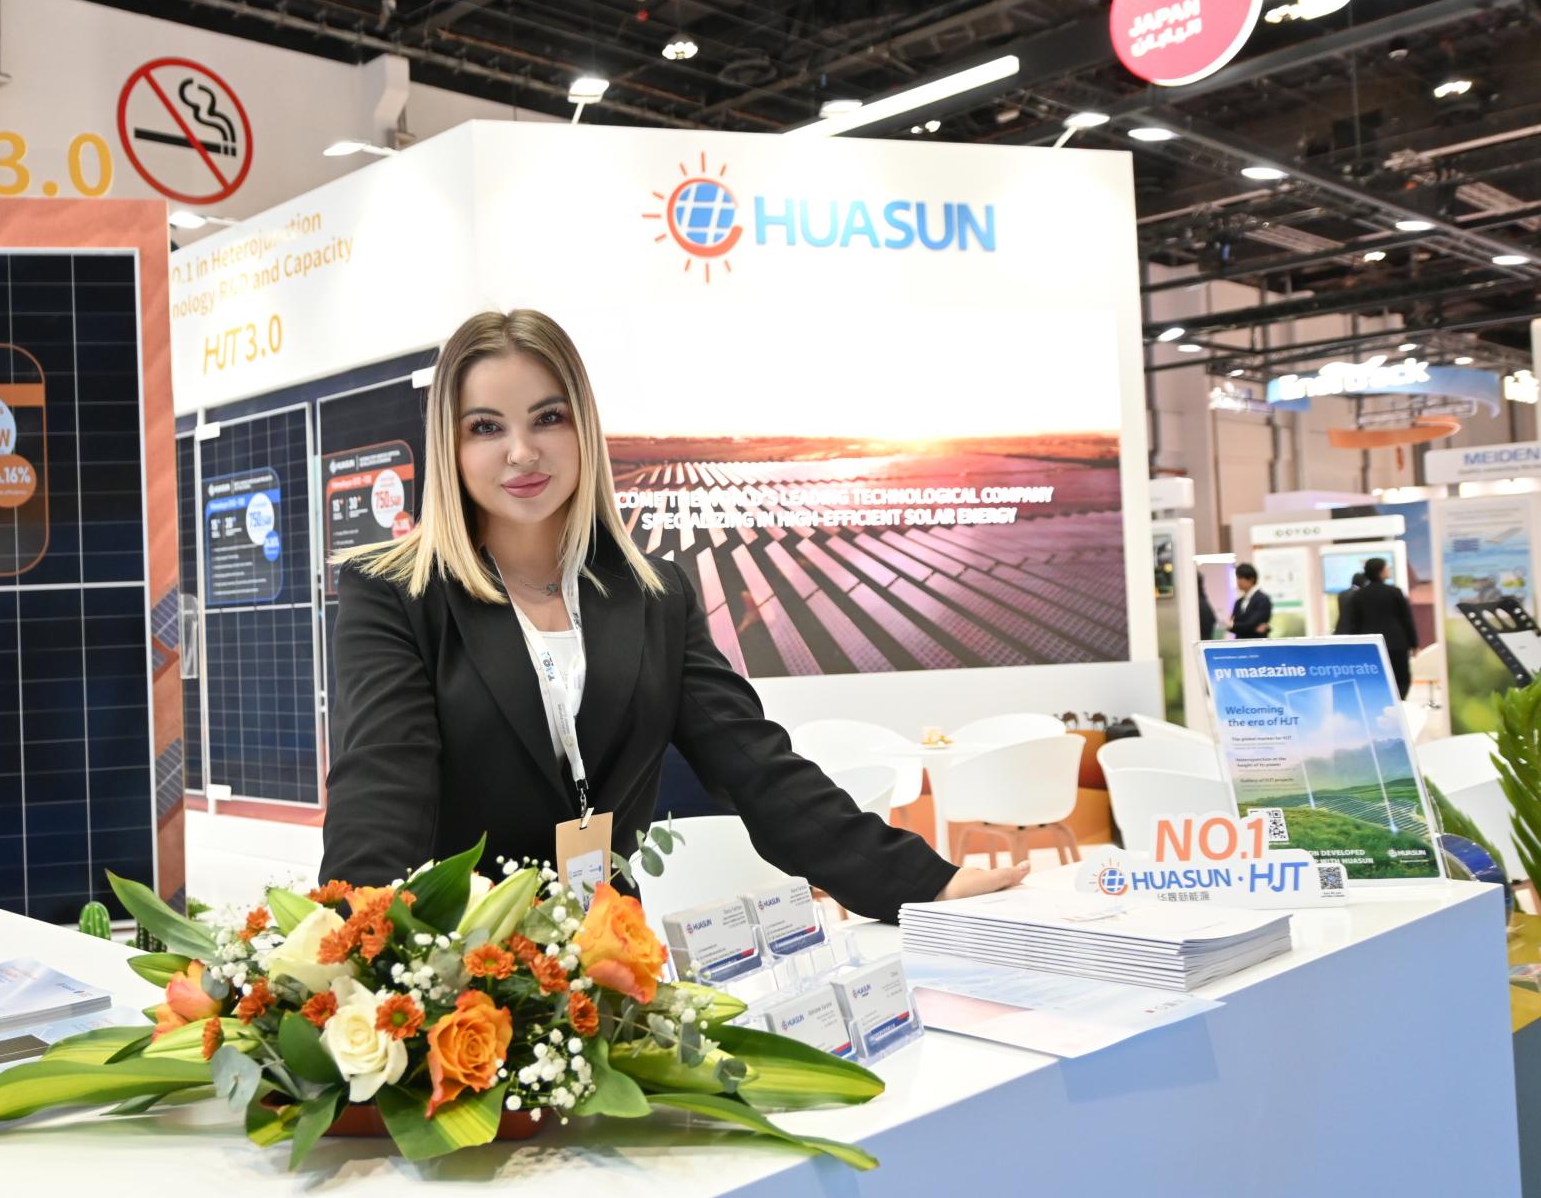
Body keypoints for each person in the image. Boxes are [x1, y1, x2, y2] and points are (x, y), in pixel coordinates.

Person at [319, 309, 1027, 918]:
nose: (522, 451)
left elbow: (756, 764)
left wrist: (923, 882)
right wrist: (357, 949)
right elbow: (381, 791)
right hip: (456, 968)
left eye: (548, 418)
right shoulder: (396, 594)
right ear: (450, 445)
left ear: (584, 428)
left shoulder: (653, 595)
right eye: (485, 427)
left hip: (608, 959)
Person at [1339, 557, 1418, 698]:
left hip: (1370, 645)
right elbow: (1406, 619)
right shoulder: (1395, 592)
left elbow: (1353, 624)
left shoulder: (1359, 596)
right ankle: (1400, 701)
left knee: (1375, 678)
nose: (1388, 570)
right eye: (1387, 568)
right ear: (1381, 572)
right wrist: (1414, 643)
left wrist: (1352, 646)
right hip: (1396, 643)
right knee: (1400, 677)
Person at [1229, 563, 1273, 639]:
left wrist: (1233, 626)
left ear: (1251, 579)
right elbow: (1233, 622)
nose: (1238, 581)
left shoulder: (1263, 599)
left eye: (1240, 578)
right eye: (1237, 578)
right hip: (1239, 642)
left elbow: (1251, 624)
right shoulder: (1238, 601)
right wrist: (1253, 629)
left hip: (1257, 642)